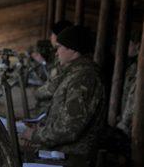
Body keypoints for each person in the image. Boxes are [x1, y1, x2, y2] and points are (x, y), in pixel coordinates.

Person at [22, 25, 106, 158]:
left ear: (73, 49)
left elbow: (70, 128)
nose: (56, 53)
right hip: (62, 150)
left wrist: (35, 135)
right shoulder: (75, 72)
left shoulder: (85, 78)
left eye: (59, 47)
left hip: (71, 155)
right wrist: (42, 128)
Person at [33, 20, 73, 116]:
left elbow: (52, 84)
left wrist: (42, 62)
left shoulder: (64, 58)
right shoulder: (60, 54)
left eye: (52, 34)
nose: (50, 37)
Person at [116, 30, 142, 137]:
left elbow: (134, 97)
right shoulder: (133, 65)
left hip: (131, 125)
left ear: (138, 45)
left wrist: (124, 122)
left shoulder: (138, 68)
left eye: (129, 44)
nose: (126, 47)